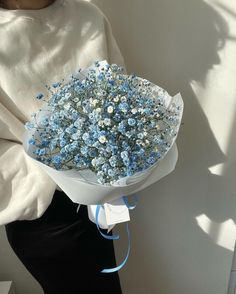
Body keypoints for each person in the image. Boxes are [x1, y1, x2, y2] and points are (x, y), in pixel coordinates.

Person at [0, 0, 126, 292]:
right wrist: (53, 174)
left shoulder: (87, 15)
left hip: (99, 200)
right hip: (41, 211)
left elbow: (120, 95)